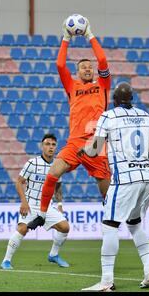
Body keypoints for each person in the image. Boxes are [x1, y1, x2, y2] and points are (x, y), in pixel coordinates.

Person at [27, 16, 111, 229]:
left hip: (97, 142)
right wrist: (66, 37)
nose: (87, 69)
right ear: (77, 72)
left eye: (89, 67)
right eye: (83, 67)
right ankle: (43, 214)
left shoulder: (102, 84)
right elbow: (59, 64)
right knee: (53, 173)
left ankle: (111, 212)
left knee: (105, 190)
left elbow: (102, 60)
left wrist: (90, 34)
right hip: (74, 142)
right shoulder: (72, 87)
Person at [80, 82, 149, 291]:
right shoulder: (146, 116)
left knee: (109, 226)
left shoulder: (109, 116)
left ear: (114, 99)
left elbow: (95, 149)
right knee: (134, 224)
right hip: (148, 177)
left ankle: (106, 281)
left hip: (125, 178)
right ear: (131, 98)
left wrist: (83, 151)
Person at [1, 133, 70, 270]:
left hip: (47, 206)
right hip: (31, 204)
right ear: (42, 146)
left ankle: (53, 255)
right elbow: (19, 182)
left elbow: (58, 186)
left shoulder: (58, 165)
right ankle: (6, 261)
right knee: (22, 229)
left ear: (56, 147)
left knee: (65, 227)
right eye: (47, 144)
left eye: (53, 144)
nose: (50, 147)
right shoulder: (32, 163)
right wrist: (24, 202)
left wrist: (60, 205)